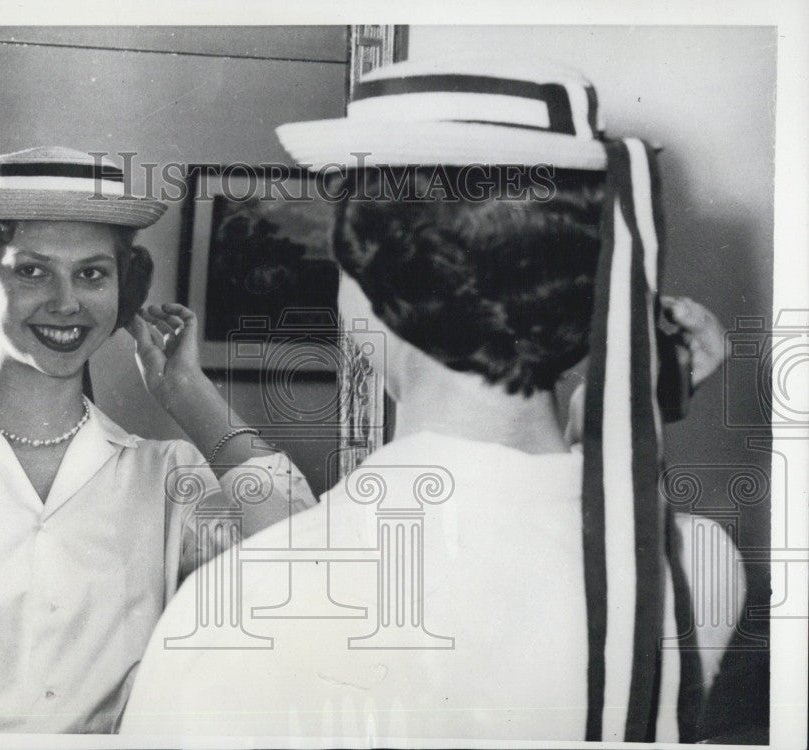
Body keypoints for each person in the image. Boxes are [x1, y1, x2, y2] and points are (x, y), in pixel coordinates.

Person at [121, 60, 744, 743]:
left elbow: (334, 558)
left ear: (365, 297)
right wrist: (625, 404)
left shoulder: (232, 609)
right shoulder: (697, 569)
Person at [0, 146, 314, 733]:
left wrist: (188, 394)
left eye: (92, 274)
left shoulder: (165, 478)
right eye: (32, 270)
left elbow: (304, 550)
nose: (66, 302)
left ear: (123, 290)